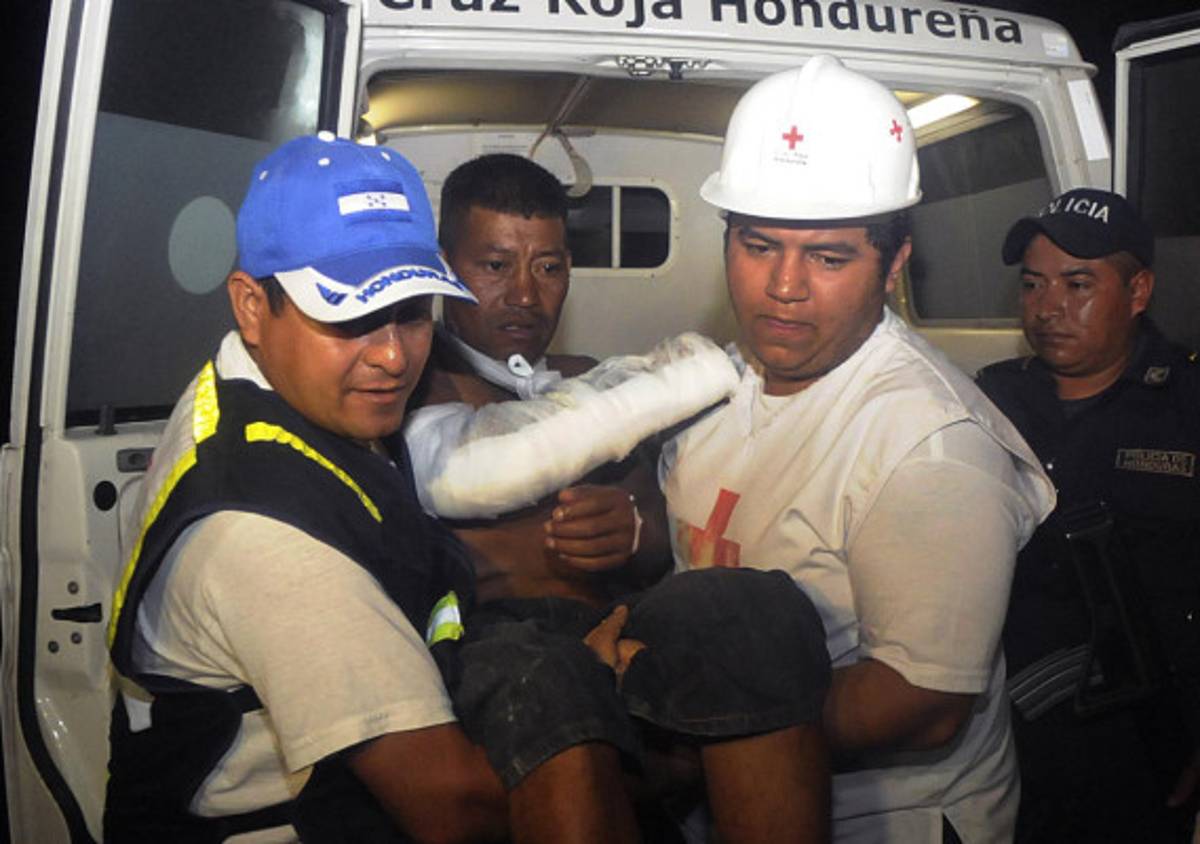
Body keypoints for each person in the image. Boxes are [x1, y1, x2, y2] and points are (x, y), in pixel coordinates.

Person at [103, 133, 833, 844]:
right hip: (308, 820)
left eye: (411, 311)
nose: (392, 356)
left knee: (746, 611)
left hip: (391, 743)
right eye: (349, 316)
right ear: (252, 306)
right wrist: (696, 753)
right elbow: (453, 809)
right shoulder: (264, 532)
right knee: (549, 690)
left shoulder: (284, 398)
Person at [659, 55, 1057, 842]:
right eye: (758, 246)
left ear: (894, 264)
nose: (784, 286)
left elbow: (923, 703)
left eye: (828, 257)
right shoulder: (722, 382)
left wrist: (687, 738)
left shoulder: (929, 446)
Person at [977, 187, 1200, 842]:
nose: (1048, 307)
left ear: (1138, 292)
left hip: (1144, 744)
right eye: (1032, 284)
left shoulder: (1187, 406)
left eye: (1077, 285)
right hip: (1003, 741)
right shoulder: (990, 400)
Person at [406, 153, 668, 607]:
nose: (525, 295)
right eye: (496, 266)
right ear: (443, 268)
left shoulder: (588, 378)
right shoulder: (409, 391)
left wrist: (633, 530)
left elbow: (661, 539)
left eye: (548, 268)